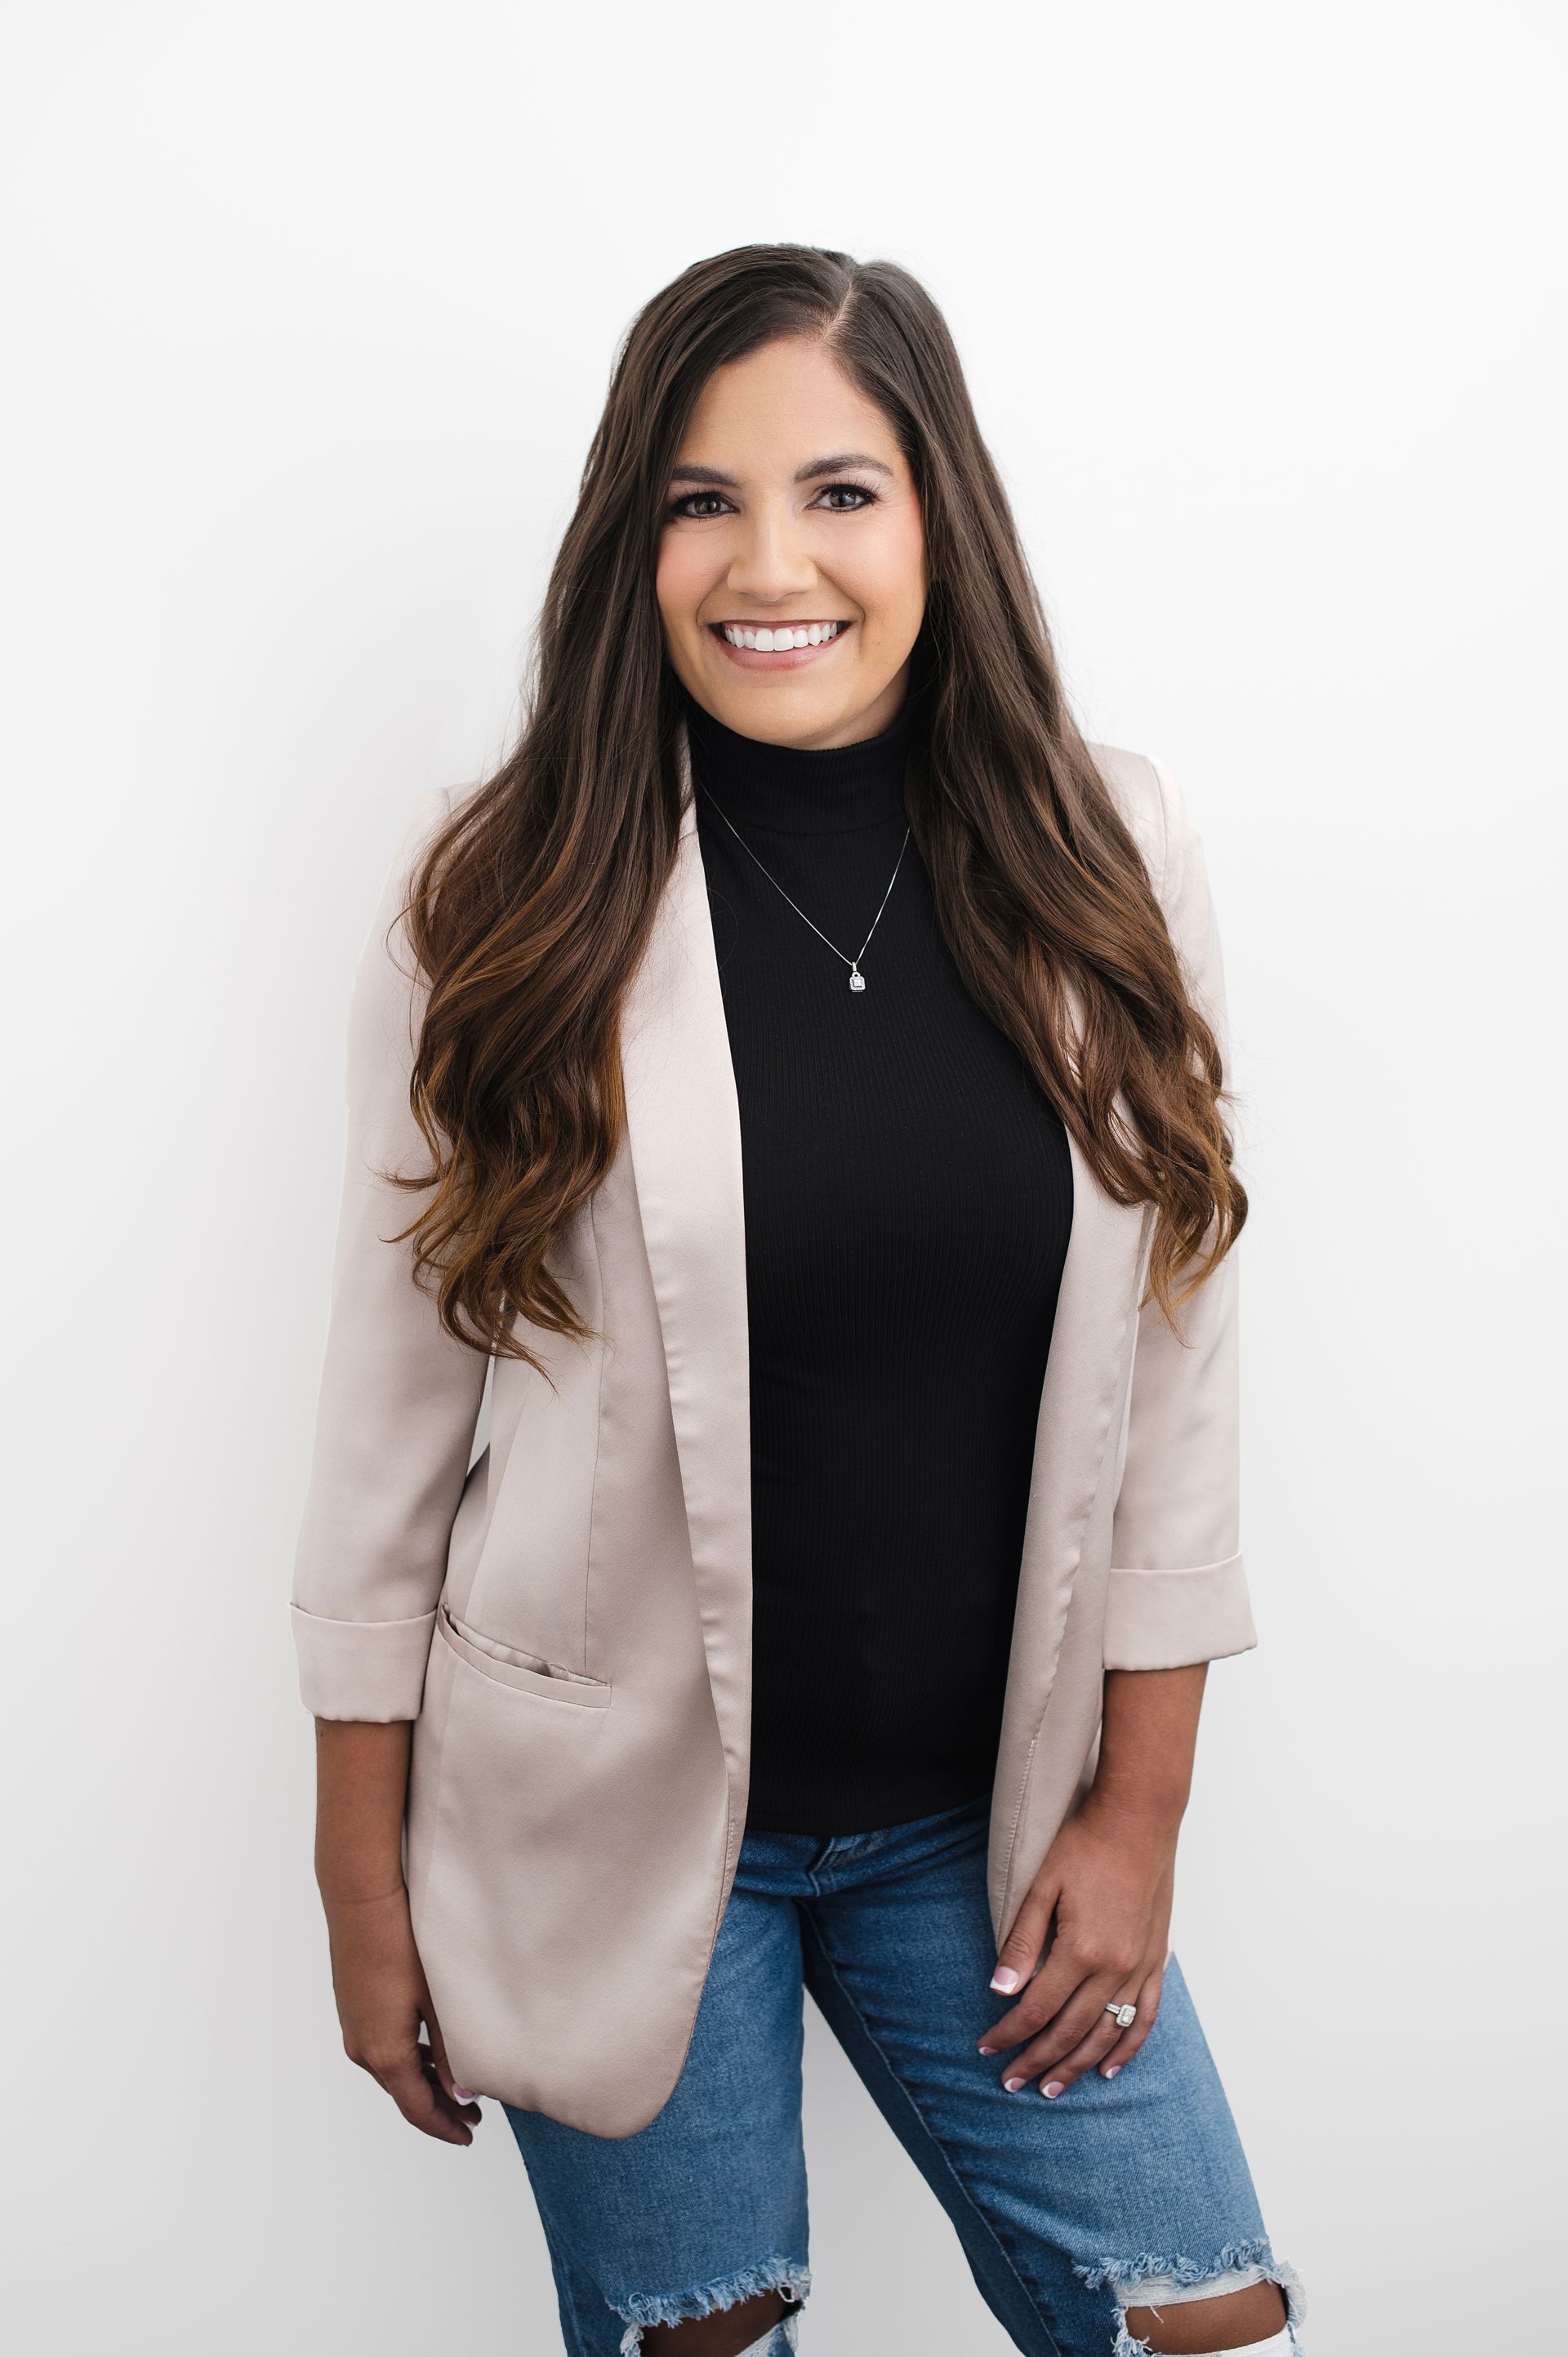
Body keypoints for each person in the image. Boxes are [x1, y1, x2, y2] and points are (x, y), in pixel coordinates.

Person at [292, 244, 1303, 2357]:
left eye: (841, 491)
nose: (774, 561)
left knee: (1202, 2317)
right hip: (609, 1820)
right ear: (630, 540)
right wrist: (359, 1887)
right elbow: (392, 1434)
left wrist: (1144, 1807)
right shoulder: (496, 897)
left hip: (988, 1822)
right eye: (700, 499)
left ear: (940, 515)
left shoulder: (1111, 857)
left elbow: (1180, 1377)